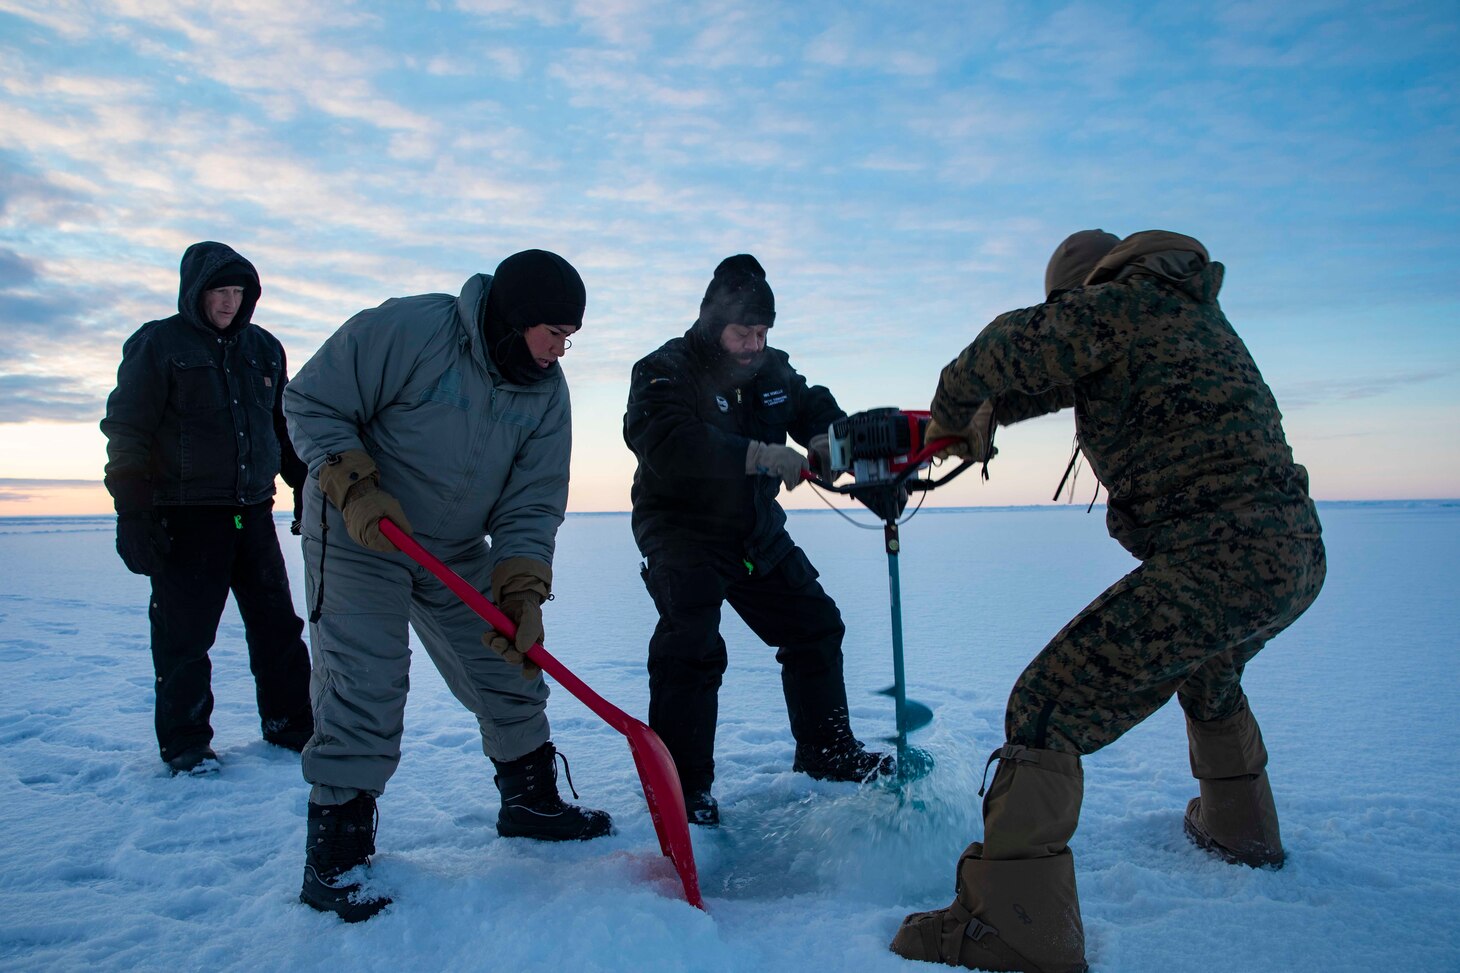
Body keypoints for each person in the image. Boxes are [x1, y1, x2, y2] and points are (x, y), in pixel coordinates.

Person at [888, 230, 1326, 972]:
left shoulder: (1118, 303)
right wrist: (980, 425)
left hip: (1218, 556)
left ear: (1077, 293)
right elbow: (1054, 378)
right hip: (1293, 552)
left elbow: (1001, 350)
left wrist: (954, 407)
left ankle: (1014, 928)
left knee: (1047, 704)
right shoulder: (1177, 310)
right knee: (1208, 668)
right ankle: (1240, 827)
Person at [283, 249, 611, 923]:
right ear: (515, 320)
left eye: (569, 337)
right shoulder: (414, 331)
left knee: (511, 661)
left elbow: (532, 499)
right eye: (553, 333)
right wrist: (353, 484)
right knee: (366, 681)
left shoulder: (547, 392)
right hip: (359, 529)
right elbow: (311, 399)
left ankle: (529, 800)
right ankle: (336, 855)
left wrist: (520, 587)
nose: (560, 350)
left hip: (454, 544)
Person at [622, 254, 893, 828]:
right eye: (742, 331)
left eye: (762, 332)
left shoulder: (771, 370)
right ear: (711, 322)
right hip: (680, 528)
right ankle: (684, 789)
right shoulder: (663, 370)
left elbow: (809, 402)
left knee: (815, 626)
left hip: (752, 528)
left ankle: (827, 752)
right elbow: (668, 444)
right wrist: (758, 456)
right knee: (690, 645)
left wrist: (829, 440)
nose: (752, 344)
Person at [100, 241, 314, 778]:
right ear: (196, 292)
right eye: (220, 291)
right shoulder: (159, 344)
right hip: (187, 515)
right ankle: (187, 744)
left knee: (277, 629)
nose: (229, 302)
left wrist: (304, 485)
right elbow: (128, 429)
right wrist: (133, 511)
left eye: (239, 292)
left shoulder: (264, 348)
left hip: (251, 513)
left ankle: (291, 724)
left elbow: (282, 428)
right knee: (185, 637)